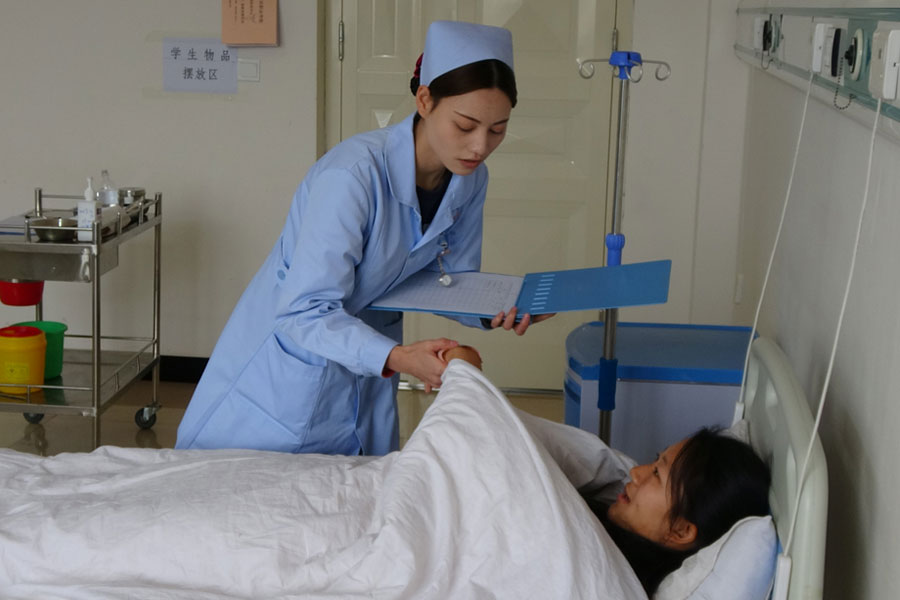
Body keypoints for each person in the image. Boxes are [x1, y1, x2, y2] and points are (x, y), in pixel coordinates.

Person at [177, 21, 549, 456]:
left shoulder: (470, 179)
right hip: (289, 372)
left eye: (497, 129)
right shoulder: (352, 177)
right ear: (425, 100)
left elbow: (450, 278)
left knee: (355, 488)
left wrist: (498, 307)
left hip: (367, 366)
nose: (480, 146)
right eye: (465, 126)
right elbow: (303, 311)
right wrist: (398, 358)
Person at [584, 430, 771, 594]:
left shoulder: (606, 576)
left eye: (657, 473)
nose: (635, 472)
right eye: (655, 460)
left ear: (680, 531)